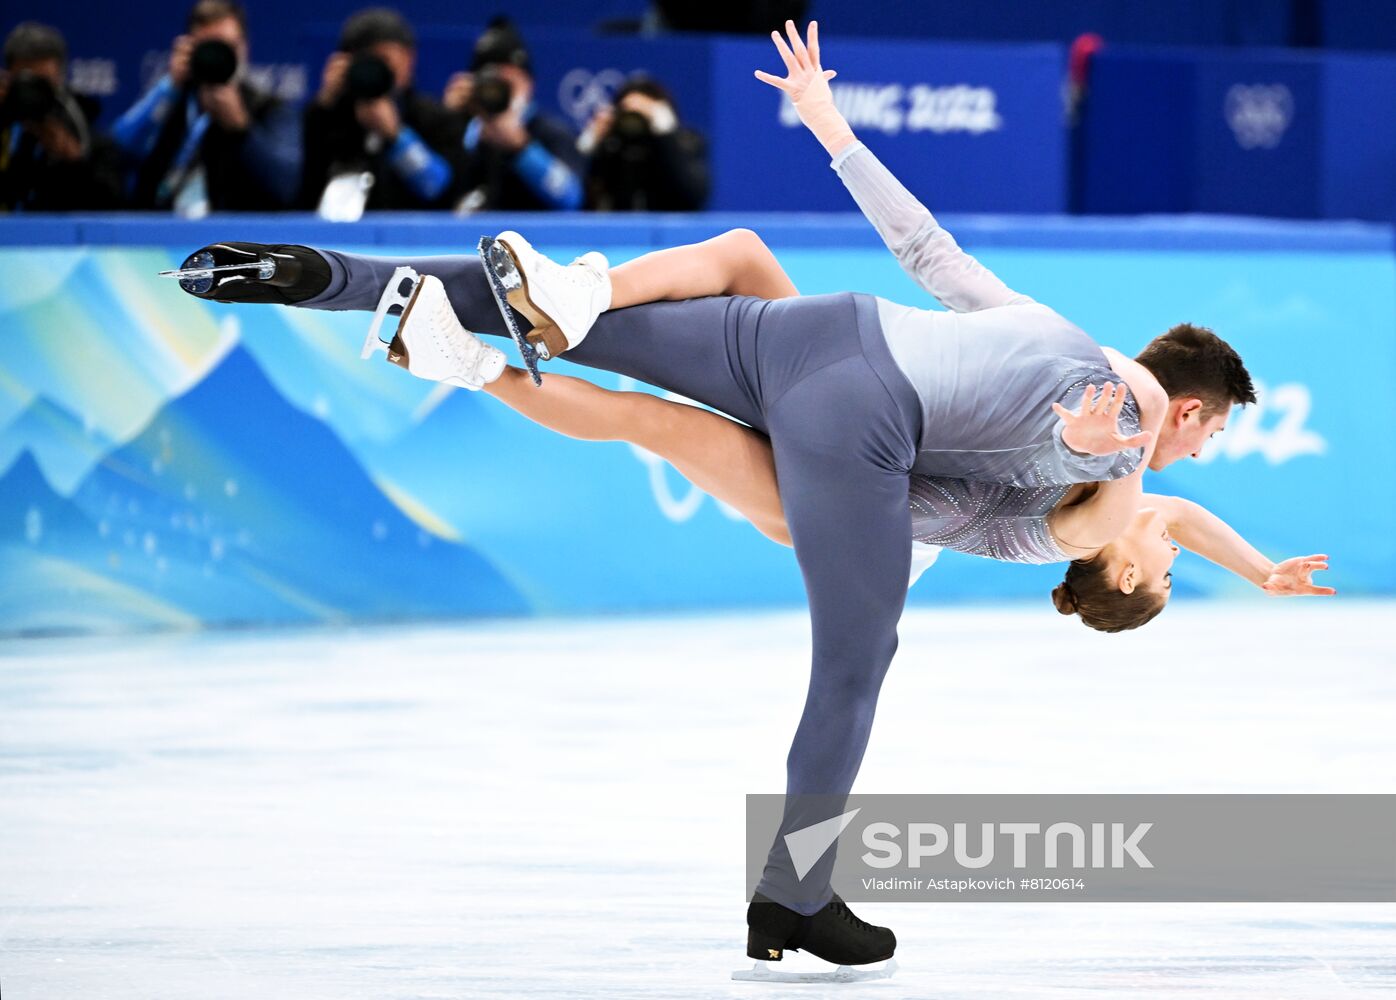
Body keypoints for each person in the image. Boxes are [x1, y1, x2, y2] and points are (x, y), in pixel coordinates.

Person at [162, 20, 1267, 975]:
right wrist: (1123, 430)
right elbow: (1116, 498)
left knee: (626, 320)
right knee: (853, 661)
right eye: (1205, 432)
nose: (1192, 470)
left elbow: (924, 249)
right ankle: (795, 888)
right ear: (1189, 413)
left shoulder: (1046, 355)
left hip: (812, 336)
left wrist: (830, 130)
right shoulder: (1102, 452)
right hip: (856, 426)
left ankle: (345, 279)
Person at [111, 0, 299, 213]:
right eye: (209, 47)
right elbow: (116, 151)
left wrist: (242, 129)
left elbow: (288, 185)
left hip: (234, 239)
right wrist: (168, 86)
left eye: (228, 47)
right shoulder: (170, 103)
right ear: (189, 49)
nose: (219, 57)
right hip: (159, 235)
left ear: (245, 48)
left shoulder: (268, 109)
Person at [301, 7, 461, 212]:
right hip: (332, 239)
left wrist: (396, 136)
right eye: (368, 60)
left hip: (411, 239)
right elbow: (299, 190)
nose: (377, 69)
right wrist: (323, 106)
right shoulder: (325, 116)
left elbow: (438, 189)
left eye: (385, 60)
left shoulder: (434, 118)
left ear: (409, 59)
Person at [446, 19, 584, 212]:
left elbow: (570, 199)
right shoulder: (460, 131)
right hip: (471, 241)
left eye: (508, 82)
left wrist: (521, 147)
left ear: (529, 83)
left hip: (532, 240)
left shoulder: (552, 133)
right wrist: (447, 119)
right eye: (491, 83)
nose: (498, 93)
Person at [0, 22, 123, 211]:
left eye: (42, 83)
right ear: (9, 77)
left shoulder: (83, 131)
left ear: (60, 78)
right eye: (26, 81)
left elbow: (110, 206)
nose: (32, 93)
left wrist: (73, 160)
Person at [580, 75, 709, 211]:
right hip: (613, 229)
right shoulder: (610, 146)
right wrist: (589, 143)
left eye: (642, 115)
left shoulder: (687, 142)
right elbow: (574, 199)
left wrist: (666, 135)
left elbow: (694, 195)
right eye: (628, 114)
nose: (635, 122)